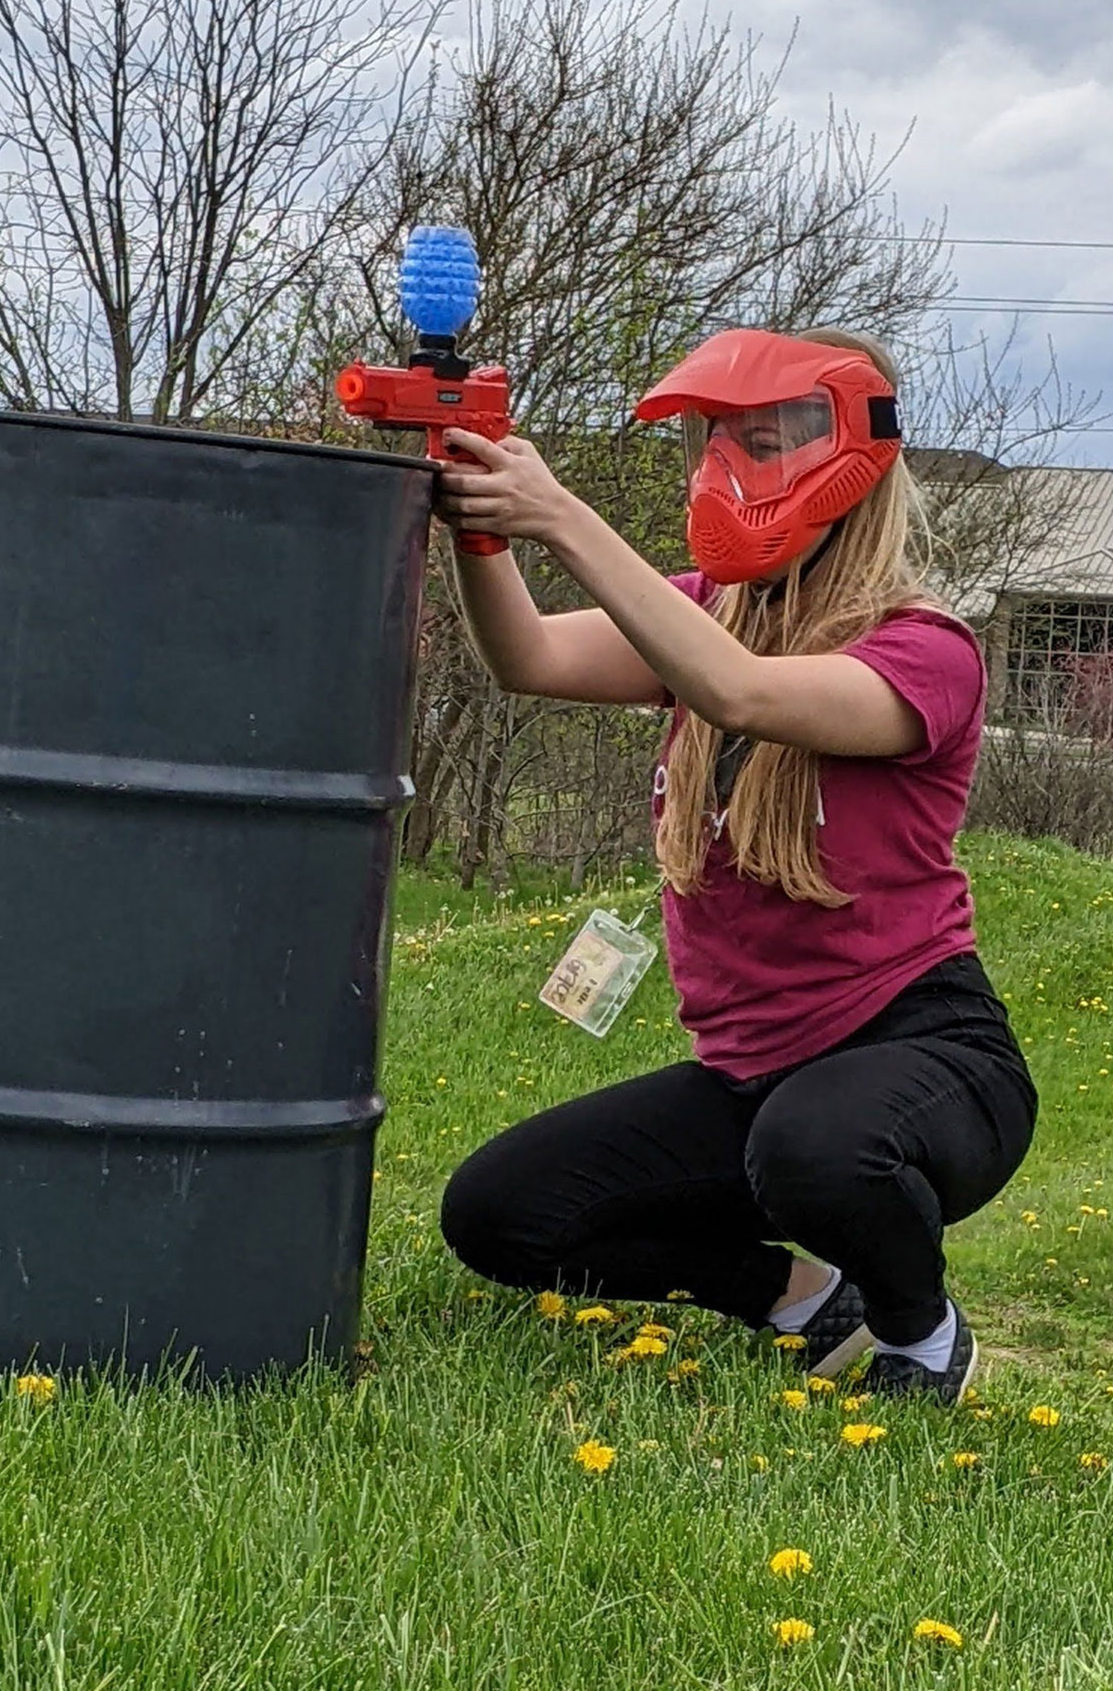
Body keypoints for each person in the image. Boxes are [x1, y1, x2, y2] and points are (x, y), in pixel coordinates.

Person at [434, 327, 1037, 1405]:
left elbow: (743, 692)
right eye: (716, 442)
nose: (725, 468)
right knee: (499, 1212)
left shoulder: (926, 649)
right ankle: (803, 1297)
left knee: (816, 1151)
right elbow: (524, 656)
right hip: (749, 1080)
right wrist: (480, 531)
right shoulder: (703, 614)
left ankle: (921, 1335)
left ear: (852, 458)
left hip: (925, 1056)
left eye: (761, 440)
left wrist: (560, 512)